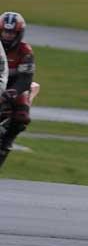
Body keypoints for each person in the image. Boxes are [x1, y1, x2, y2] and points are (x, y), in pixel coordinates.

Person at [0, 12, 35, 162]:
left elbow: (26, 78)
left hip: (14, 86)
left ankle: (7, 142)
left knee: (22, 117)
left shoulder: (25, 51)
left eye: (11, 32)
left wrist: (14, 91)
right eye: (5, 31)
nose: (7, 35)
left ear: (19, 33)